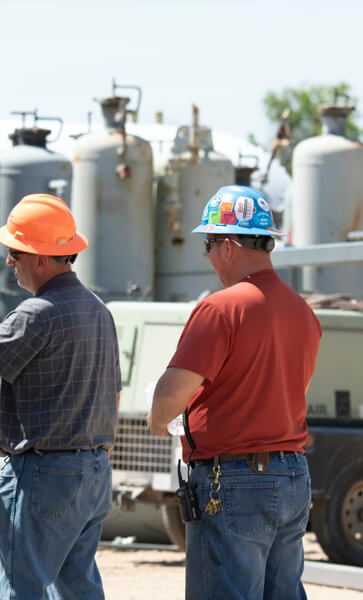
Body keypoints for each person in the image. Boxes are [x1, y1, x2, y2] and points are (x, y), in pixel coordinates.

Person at [147, 185, 321, 600]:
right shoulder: (303, 311)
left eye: (207, 245)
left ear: (227, 245)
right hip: (293, 475)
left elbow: (170, 396)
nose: (208, 256)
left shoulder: (221, 308)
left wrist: (158, 420)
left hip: (235, 479)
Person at [0, 193, 121, 600]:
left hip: (43, 473)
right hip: (94, 472)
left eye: (15, 252)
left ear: (40, 258)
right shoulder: (99, 310)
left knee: (20, 588)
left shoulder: (37, 313)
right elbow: (114, 395)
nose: (9, 261)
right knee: (77, 589)